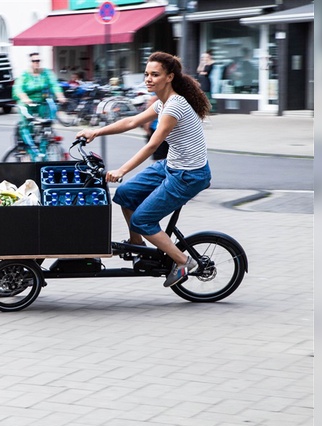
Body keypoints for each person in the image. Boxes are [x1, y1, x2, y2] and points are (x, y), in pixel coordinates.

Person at [76, 51, 211, 288]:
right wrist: (94, 132)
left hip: (188, 175)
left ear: (169, 77)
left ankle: (183, 262)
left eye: (155, 75)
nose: (148, 79)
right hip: (172, 165)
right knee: (125, 195)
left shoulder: (174, 106)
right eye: (147, 74)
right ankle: (138, 246)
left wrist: (122, 170)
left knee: (142, 220)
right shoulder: (162, 102)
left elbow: (153, 144)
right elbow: (130, 122)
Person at [12, 52, 67, 156]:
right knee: (26, 125)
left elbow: (54, 84)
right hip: (27, 103)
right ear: (31, 62)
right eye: (34, 61)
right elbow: (18, 88)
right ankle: (32, 152)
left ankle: (43, 149)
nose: (37, 63)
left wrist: (60, 96)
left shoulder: (46, 73)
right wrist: (25, 98)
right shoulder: (25, 75)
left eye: (38, 61)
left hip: (42, 102)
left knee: (47, 123)